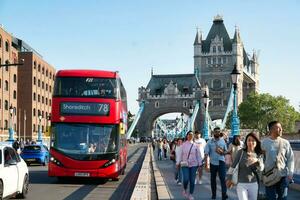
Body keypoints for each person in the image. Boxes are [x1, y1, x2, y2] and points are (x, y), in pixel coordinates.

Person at [261, 121, 294, 200]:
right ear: (271, 130)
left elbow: (290, 158)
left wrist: (290, 173)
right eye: (278, 127)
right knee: (270, 198)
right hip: (269, 176)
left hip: (283, 176)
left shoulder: (285, 143)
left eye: (281, 127)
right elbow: (261, 159)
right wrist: (261, 174)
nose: (281, 129)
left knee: (283, 198)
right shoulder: (264, 143)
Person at [226, 132, 264, 200]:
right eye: (249, 140)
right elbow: (233, 166)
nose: (251, 142)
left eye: (253, 140)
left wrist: (257, 162)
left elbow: (261, 168)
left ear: (256, 142)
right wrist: (229, 178)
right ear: (246, 141)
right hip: (241, 184)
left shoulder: (259, 154)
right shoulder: (241, 152)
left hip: (254, 183)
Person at [177, 131, 202, 200]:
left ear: (193, 136)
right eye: (189, 135)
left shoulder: (196, 145)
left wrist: (200, 164)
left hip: (194, 164)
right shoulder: (183, 145)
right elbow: (180, 154)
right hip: (185, 164)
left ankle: (190, 194)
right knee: (186, 179)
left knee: (192, 180)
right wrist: (178, 162)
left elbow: (198, 155)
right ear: (187, 136)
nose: (190, 136)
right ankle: (185, 189)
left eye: (192, 135)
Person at [204, 127, 228, 200]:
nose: (217, 133)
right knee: (213, 179)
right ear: (213, 133)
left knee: (223, 179)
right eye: (216, 132)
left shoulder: (222, 141)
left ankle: (224, 194)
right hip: (213, 163)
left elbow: (226, 151)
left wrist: (222, 152)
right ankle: (214, 195)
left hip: (221, 162)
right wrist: (206, 164)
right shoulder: (209, 142)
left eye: (218, 131)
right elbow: (206, 153)